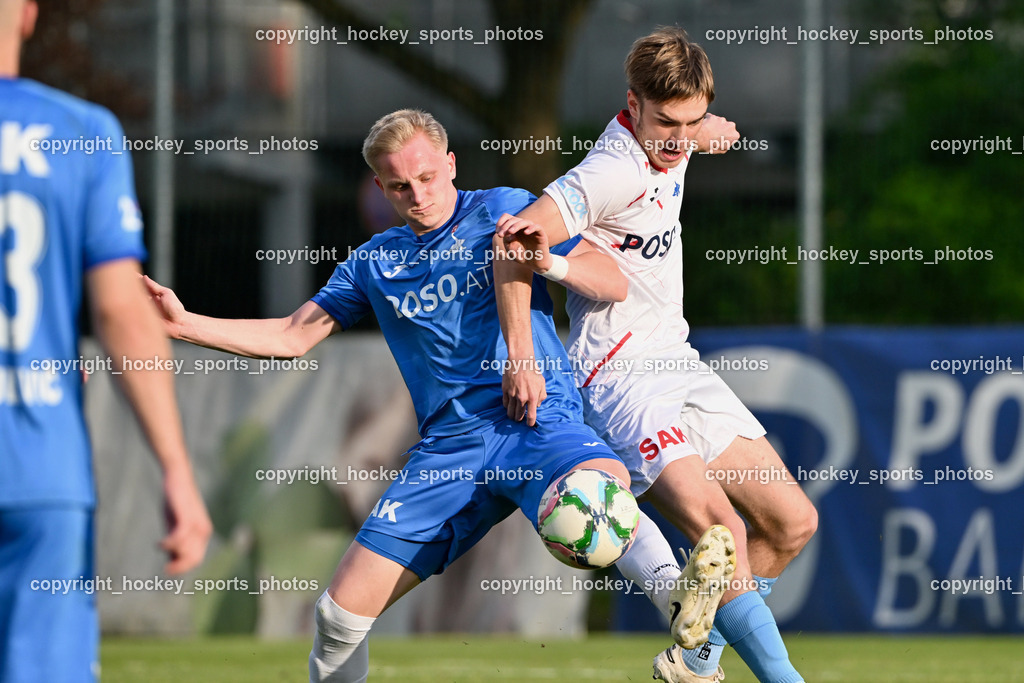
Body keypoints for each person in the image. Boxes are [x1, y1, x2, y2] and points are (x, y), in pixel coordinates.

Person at [142, 108, 736, 683]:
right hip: (448, 454)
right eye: (400, 187)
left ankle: (682, 606)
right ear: (381, 188)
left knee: (598, 501)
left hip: (535, 422)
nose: (418, 195)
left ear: (452, 164)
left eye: (427, 177)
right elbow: (292, 336)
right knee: (338, 616)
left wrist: (546, 260)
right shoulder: (374, 263)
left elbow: (611, 280)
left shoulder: (506, 210)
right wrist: (184, 323)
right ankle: (681, 603)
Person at [496, 26, 817, 683]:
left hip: (677, 356)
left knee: (791, 522)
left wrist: (710, 130)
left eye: (690, 120)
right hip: (618, 372)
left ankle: (697, 658)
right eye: (665, 122)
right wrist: (523, 355)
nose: (676, 139)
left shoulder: (679, 135)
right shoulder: (608, 172)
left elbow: (689, 133)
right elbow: (511, 244)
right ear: (631, 103)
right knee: (720, 531)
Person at [0, 1, 212, 680]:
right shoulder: (81, 133)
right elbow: (123, 311)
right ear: (28, 15)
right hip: (39, 470)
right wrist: (176, 466)